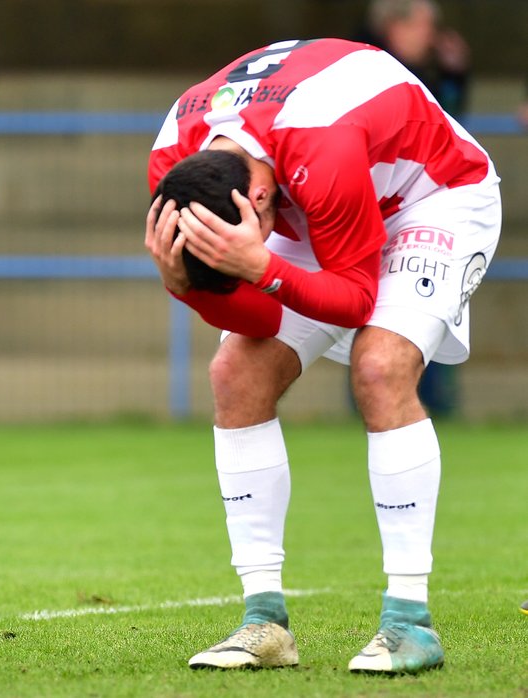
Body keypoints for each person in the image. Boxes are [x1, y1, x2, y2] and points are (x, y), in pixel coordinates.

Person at [144, 38, 501, 674]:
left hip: (431, 194)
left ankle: (409, 621)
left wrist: (261, 264)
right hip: (303, 205)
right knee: (235, 373)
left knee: (380, 366)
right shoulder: (174, 159)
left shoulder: (322, 142)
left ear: (254, 206)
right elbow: (259, 314)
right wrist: (189, 288)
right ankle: (264, 622)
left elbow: (354, 299)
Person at [356, 0, 473, 414]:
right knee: (368, 310)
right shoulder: (363, 67)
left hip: (421, 215)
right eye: (425, 23)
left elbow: (453, 125)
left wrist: (458, 74)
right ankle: (370, 404)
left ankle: (434, 405)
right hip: (373, 213)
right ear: (395, 25)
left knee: (426, 307)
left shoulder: (425, 79)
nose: (432, 33)